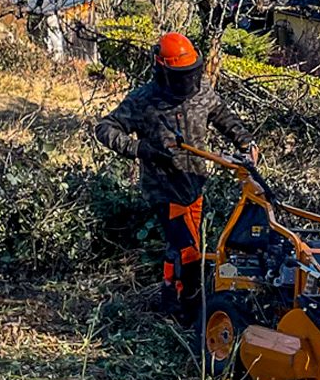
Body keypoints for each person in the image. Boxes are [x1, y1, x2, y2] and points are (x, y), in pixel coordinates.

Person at [94, 31, 255, 316]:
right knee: (187, 250)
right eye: (180, 75)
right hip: (163, 188)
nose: (187, 80)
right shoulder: (144, 100)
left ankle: (171, 299)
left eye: (190, 73)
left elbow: (222, 116)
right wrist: (141, 149)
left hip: (195, 185)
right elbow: (105, 128)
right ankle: (188, 310)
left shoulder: (203, 91)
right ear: (164, 71)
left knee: (183, 247)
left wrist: (244, 141)